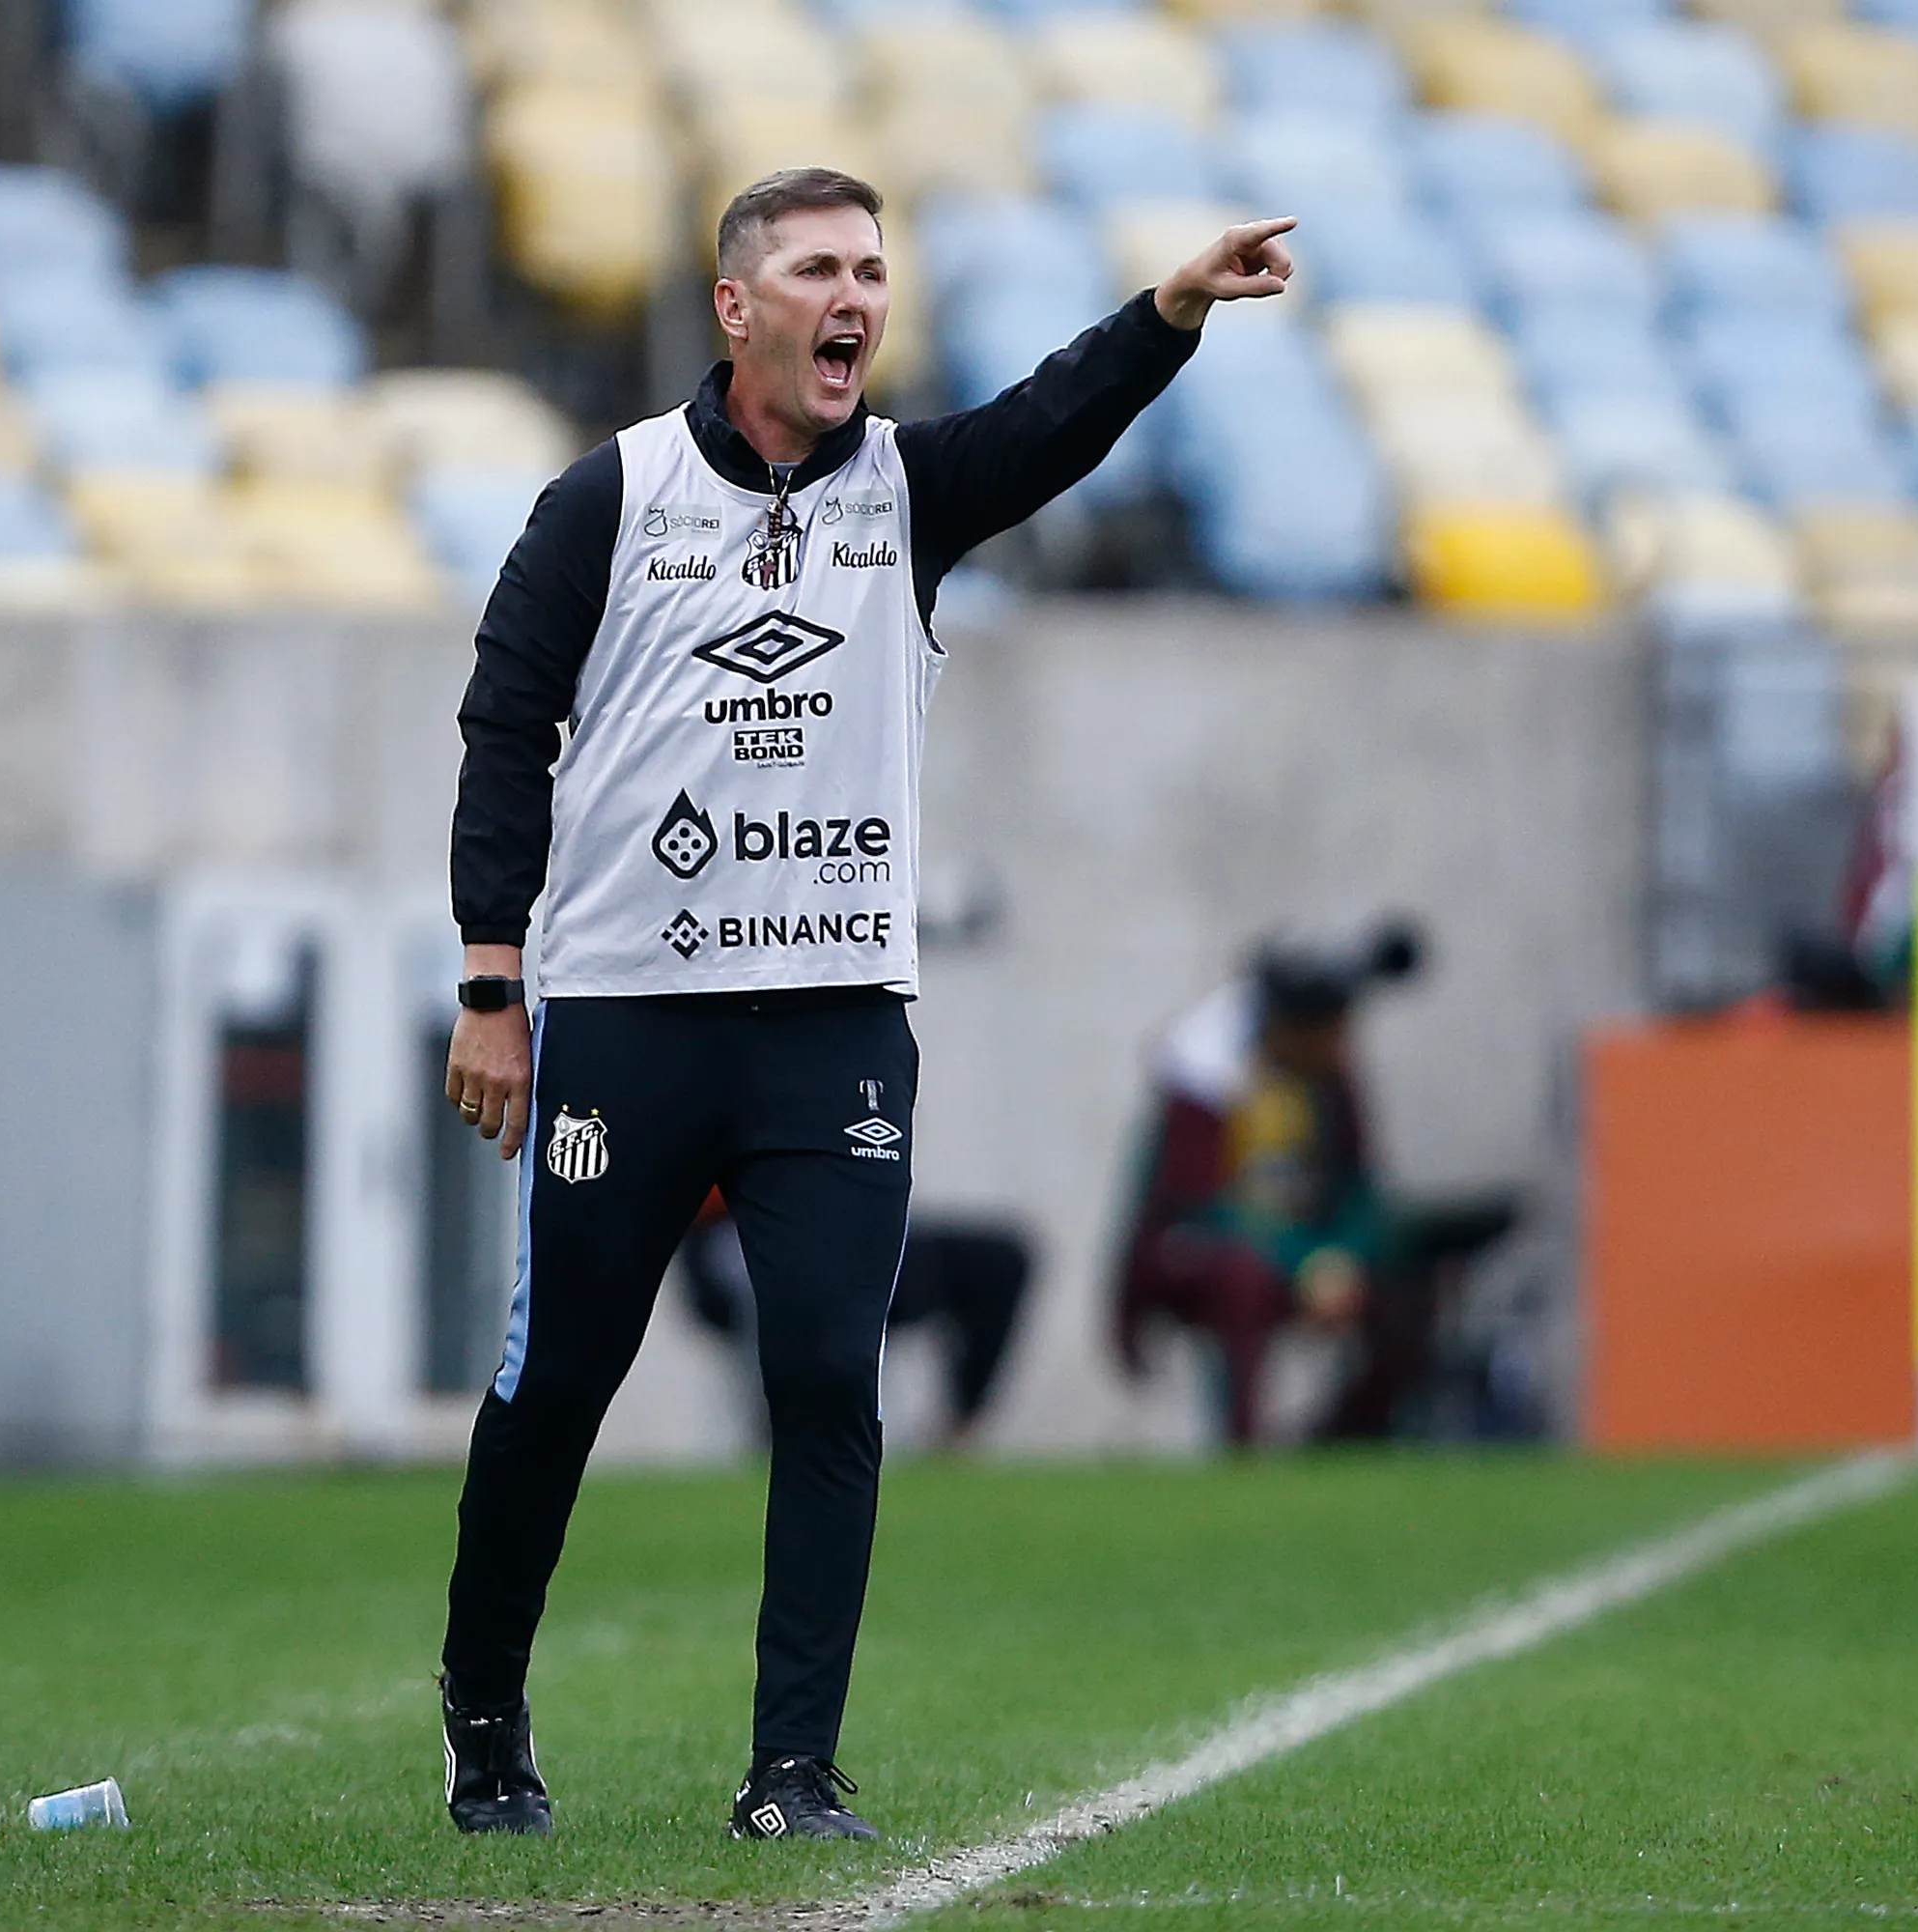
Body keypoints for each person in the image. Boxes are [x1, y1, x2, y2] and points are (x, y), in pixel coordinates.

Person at [433, 167, 1296, 1844]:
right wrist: (490, 978)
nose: (856, 301)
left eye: (874, 274)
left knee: (833, 1375)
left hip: (833, 1025)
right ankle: (481, 1704)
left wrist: (1171, 314)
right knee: (559, 1388)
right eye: (820, 269)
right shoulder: (611, 497)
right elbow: (504, 724)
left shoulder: (911, 490)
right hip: (628, 1017)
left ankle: (791, 1774)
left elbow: (1056, 420)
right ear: (735, 306)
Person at [1111, 924, 1431, 1446]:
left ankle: (1346, 1439)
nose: (1340, 1044)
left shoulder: (1330, 1083)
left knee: (1410, 1283)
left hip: (1311, 1252)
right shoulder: (1206, 1079)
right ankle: (1242, 1447)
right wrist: (1302, 1261)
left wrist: (1341, 1257)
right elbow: (1192, 1205)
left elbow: (1360, 1189)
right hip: (1206, 1253)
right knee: (1242, 1281)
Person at [682, 1192, 1032, 1447]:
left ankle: (954, 1435)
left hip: (849, 1219)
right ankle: (784, 1438)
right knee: (794, 1281)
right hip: (738, 1227)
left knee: (999, 1263)